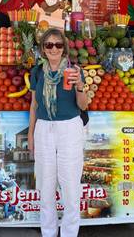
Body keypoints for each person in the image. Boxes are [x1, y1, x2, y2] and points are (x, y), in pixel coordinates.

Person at [28, 28, 87, 237]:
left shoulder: (74, 70)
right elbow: (34, 104)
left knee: (70, 186)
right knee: (46, 185)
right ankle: (48, 233)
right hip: (44, 129)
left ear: (64, 48)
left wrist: (80, 85)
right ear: (43, 49)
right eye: (49, 45)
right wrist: (31, 134)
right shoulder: (37, 72)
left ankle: (69, 233)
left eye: (58, 44)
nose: (54, 48)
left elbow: (83, 105)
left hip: (69, 128)